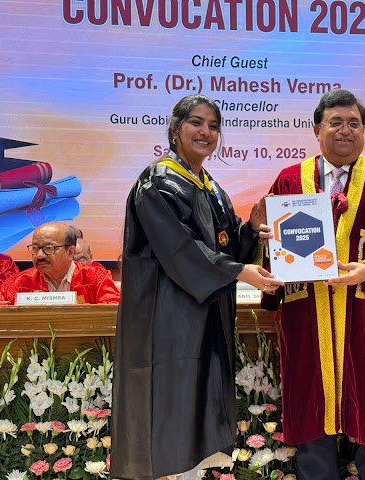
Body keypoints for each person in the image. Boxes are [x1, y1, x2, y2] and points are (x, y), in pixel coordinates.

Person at [111, 94, 283, 480]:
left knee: (195, 423)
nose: (206, 132)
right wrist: (239, 271)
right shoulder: (158, 182)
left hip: (203, 319)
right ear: (175, 130)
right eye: (196, 123)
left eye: (214, 126)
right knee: (169, 416)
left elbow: (223, 244)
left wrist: (251, 229)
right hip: (167, 321)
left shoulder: (211, 187)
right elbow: (180, 249)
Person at [262, 89, 365, 480]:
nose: (345, 130)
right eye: (336, 122)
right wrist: (264, 241)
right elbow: (272, 248)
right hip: (307, 315)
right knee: (311, 412)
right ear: (317, 129)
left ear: (363, 130)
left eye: (354, 123)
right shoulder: (289, 179)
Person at [0, 222, 120, 304]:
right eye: (35, 248)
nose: (39, 255)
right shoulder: (18, 282)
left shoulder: (96, 277)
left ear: (70, 252)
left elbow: (113, 311)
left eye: (49, 248)